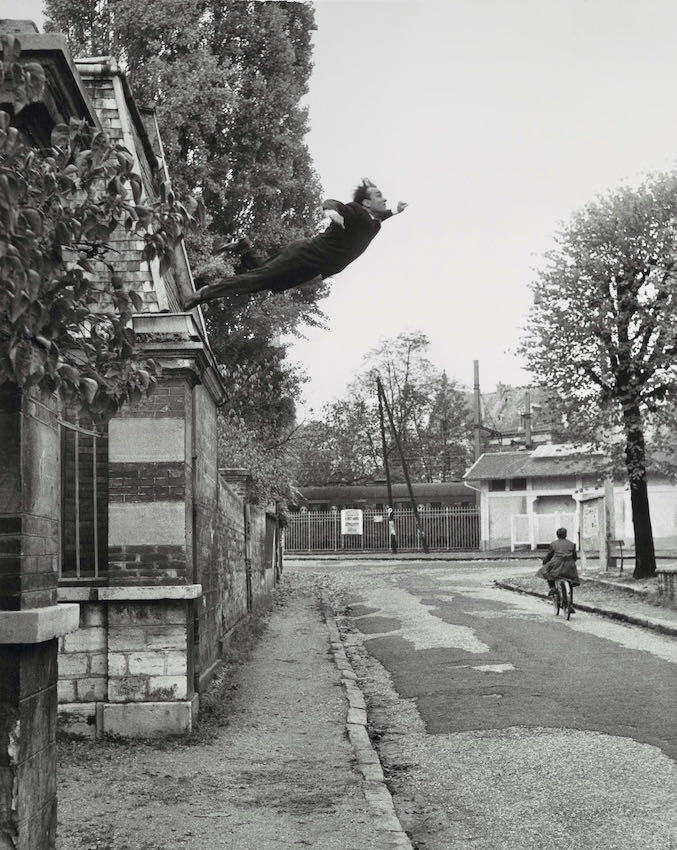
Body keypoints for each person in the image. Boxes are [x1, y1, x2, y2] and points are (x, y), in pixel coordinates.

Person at [181, 179, 408, 309]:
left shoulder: (374, 223)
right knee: (259, 280)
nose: (385, 199)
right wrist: (330, 211)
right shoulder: (357, 212)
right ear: (367, 202)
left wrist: (395, 211)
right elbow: (334, 203)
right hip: (305, 255)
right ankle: (202, 294)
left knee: (267, 279)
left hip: (313, 267)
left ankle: (243, 248)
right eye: (379, 195)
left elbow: (383, 214)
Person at [536, 527, 580, 611]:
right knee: (570, 582)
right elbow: (574, 557)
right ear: (566, 535)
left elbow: (549, 555)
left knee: (546, 571)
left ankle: (552, 587)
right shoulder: (572, 544)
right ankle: (570, 604)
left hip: (557, 565)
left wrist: (545, 562)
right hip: (569, 566)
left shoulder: (553, 544)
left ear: (557, 535)